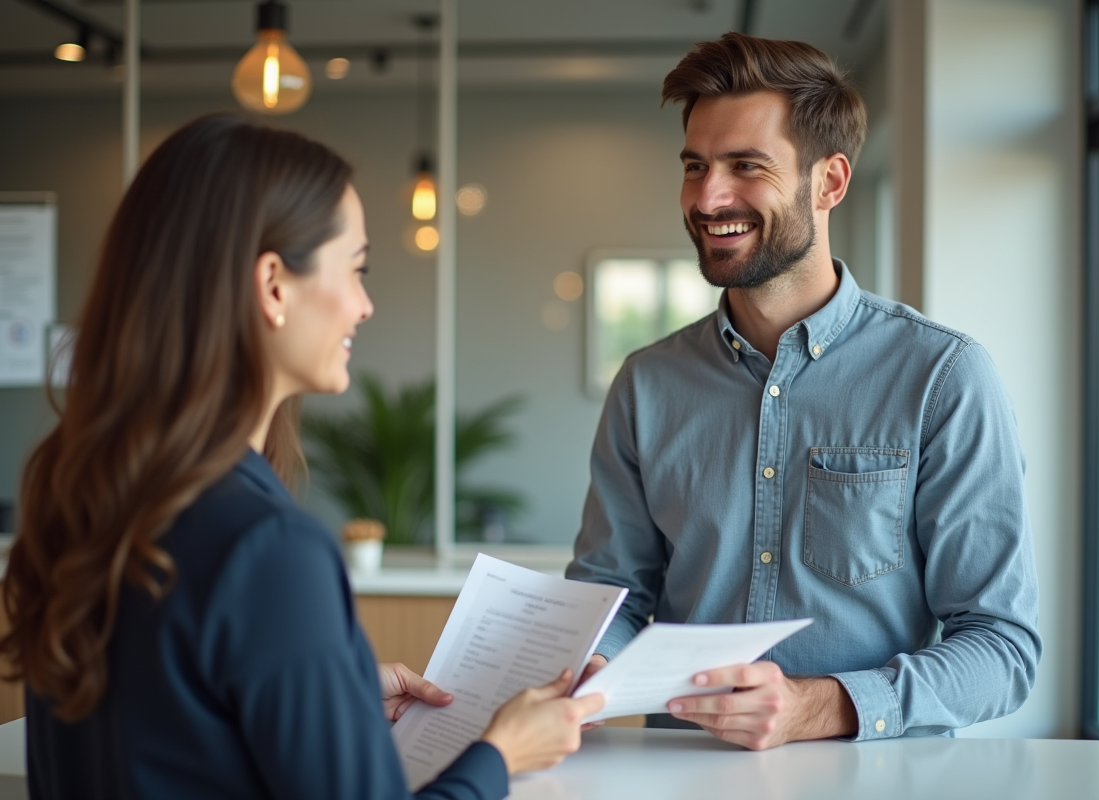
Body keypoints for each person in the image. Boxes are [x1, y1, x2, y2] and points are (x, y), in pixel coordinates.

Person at [0, 114, 603, 800]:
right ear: (274, 286)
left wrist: (322, 688)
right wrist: (502, 753)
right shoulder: (267, 548)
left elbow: (165, 725)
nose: (365, 305)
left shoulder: (81, 501)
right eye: (357, 269)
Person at [567, 32, 1041, 749]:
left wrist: (819, 707)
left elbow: (1003, 649)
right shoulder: (646, 384)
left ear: (830, 182)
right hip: (682, 778)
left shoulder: (943, 378)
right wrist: (593, 662)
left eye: (745, 166)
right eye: (695, 166)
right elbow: (615, 598)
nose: (707, 197)